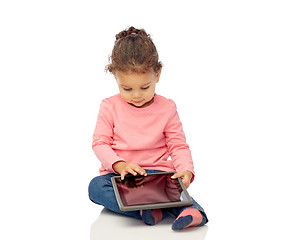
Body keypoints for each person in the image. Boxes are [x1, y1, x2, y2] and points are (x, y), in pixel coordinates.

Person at [88, 26, 208, 230]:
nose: (136, 95)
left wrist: (185, 170)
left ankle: (193, 212)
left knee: (173, 188)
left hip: (158, 174)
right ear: (116, 78)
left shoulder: (167, 107)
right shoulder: (109, 106)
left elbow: (178, 145)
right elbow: (100, 143)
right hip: (121, 177)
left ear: (157, 75)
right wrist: (119, 165)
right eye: (127, 89)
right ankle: (146, 209)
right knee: (96, 187)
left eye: (145, 87)